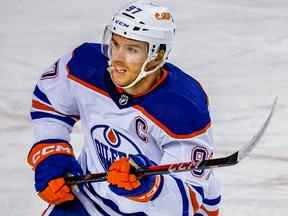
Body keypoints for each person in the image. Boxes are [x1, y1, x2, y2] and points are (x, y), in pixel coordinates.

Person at [27, 1, 221, 215]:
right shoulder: (84, 66)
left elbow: (184, 203)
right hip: (91, 197)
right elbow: (49, 101)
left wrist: (147, 185)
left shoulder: (183, 107)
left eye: (132, 49)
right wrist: (52, 152)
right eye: (115, 44)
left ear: (157, 55)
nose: (117, 59)